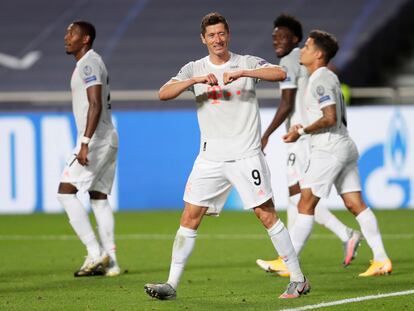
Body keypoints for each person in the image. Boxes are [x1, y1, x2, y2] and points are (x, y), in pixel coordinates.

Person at [144, 12, 310, 300]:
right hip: (210, 159)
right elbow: (163, 93)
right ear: (203, 39)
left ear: (228, 35)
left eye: (221, 34)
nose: (217, 39)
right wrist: (194, 81)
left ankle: (298, 279)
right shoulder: (194, 68)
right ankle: (171, 285)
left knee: (266, 214)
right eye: (211, 35)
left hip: (246, 155)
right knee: (189, 217)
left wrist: (244, 74)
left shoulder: (245, 62)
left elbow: (280, 73)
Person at [256, 14, 362, 277]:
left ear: (296, 40)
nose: (276, 41)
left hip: (302, 138)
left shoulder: (290, 60)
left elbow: (287, 102)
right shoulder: (307, 63)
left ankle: (293, 256)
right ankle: (295, 255)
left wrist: (267, 133)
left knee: (301, 198)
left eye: (282, 37)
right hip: (307, 136)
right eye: (274, 37)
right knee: (297, 198)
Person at [283, 29, 392, 277]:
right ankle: (381, 259)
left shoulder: (320, 78)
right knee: (355, 205)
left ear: (319, 55)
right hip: (344, 143)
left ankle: (289, 262)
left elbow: (329, 118)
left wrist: (302, 131)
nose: (303, 49)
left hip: (329, 147)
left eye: (308, 47)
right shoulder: (326, 77)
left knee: (305, 202)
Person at [58, 21, 120, 277]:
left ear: (85, 39)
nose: (66, 37)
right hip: (108, 136)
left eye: (72, 33)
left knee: (65, 192)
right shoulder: (92, 62)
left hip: (95, 139)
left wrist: (84, 143)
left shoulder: (88, 63)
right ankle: (112, 263)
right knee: (98, 198)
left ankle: (95, 253)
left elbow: (94, 104)